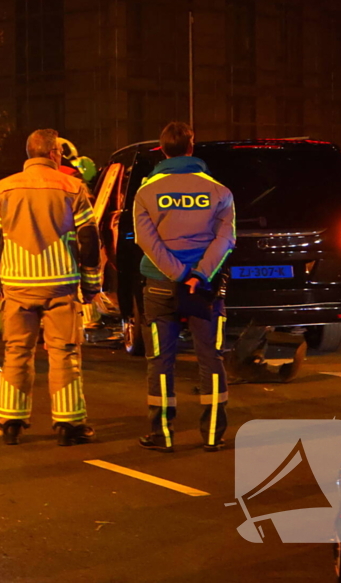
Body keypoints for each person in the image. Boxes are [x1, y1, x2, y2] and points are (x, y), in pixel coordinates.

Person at [0, 128, 101, 447]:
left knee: (16, 351)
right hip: (60, 284)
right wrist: (91, 284)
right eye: (59, 151)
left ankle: (11, 422)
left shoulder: (3, 188)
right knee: (64, 352)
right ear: (52, 153)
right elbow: (89, 238)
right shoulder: (72, 187)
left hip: (17, 285)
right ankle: (68, 424)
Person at [133, 121, 235, 453]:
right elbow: (226, 239)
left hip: (160, 286)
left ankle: (162, 434)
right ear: (192, 147)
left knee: (160, 361)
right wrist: (199, 275)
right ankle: (213, 434)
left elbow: (146, 242)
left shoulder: (146, 191)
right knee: (211, 358)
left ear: (162, 150)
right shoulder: (219, 191)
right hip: (204, 288)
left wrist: (178, 274)